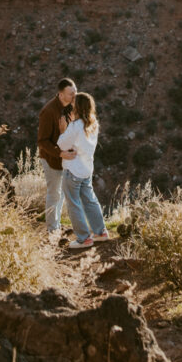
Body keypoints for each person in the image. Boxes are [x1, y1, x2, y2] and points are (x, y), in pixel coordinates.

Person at [57, 92, 109, 250]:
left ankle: (83, 238)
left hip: (72, 170)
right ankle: (100, 232)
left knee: (74, 204)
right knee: (90, 200)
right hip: (86, 169)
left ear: (77, 107)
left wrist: (63, 129)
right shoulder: (93, 124)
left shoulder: (75, 125)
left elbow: (61, 144)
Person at [37, 77, 78, 238]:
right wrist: (60, 153)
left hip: (64, 160)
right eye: (71, 94)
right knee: (54, 193)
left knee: (60, 193)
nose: (74, 96)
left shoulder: (69, 108)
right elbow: (42, 141)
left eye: (75, 92)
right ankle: (52, 230)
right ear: (61, 95)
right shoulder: (49, 111)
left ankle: (57, 225)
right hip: (52, 159)